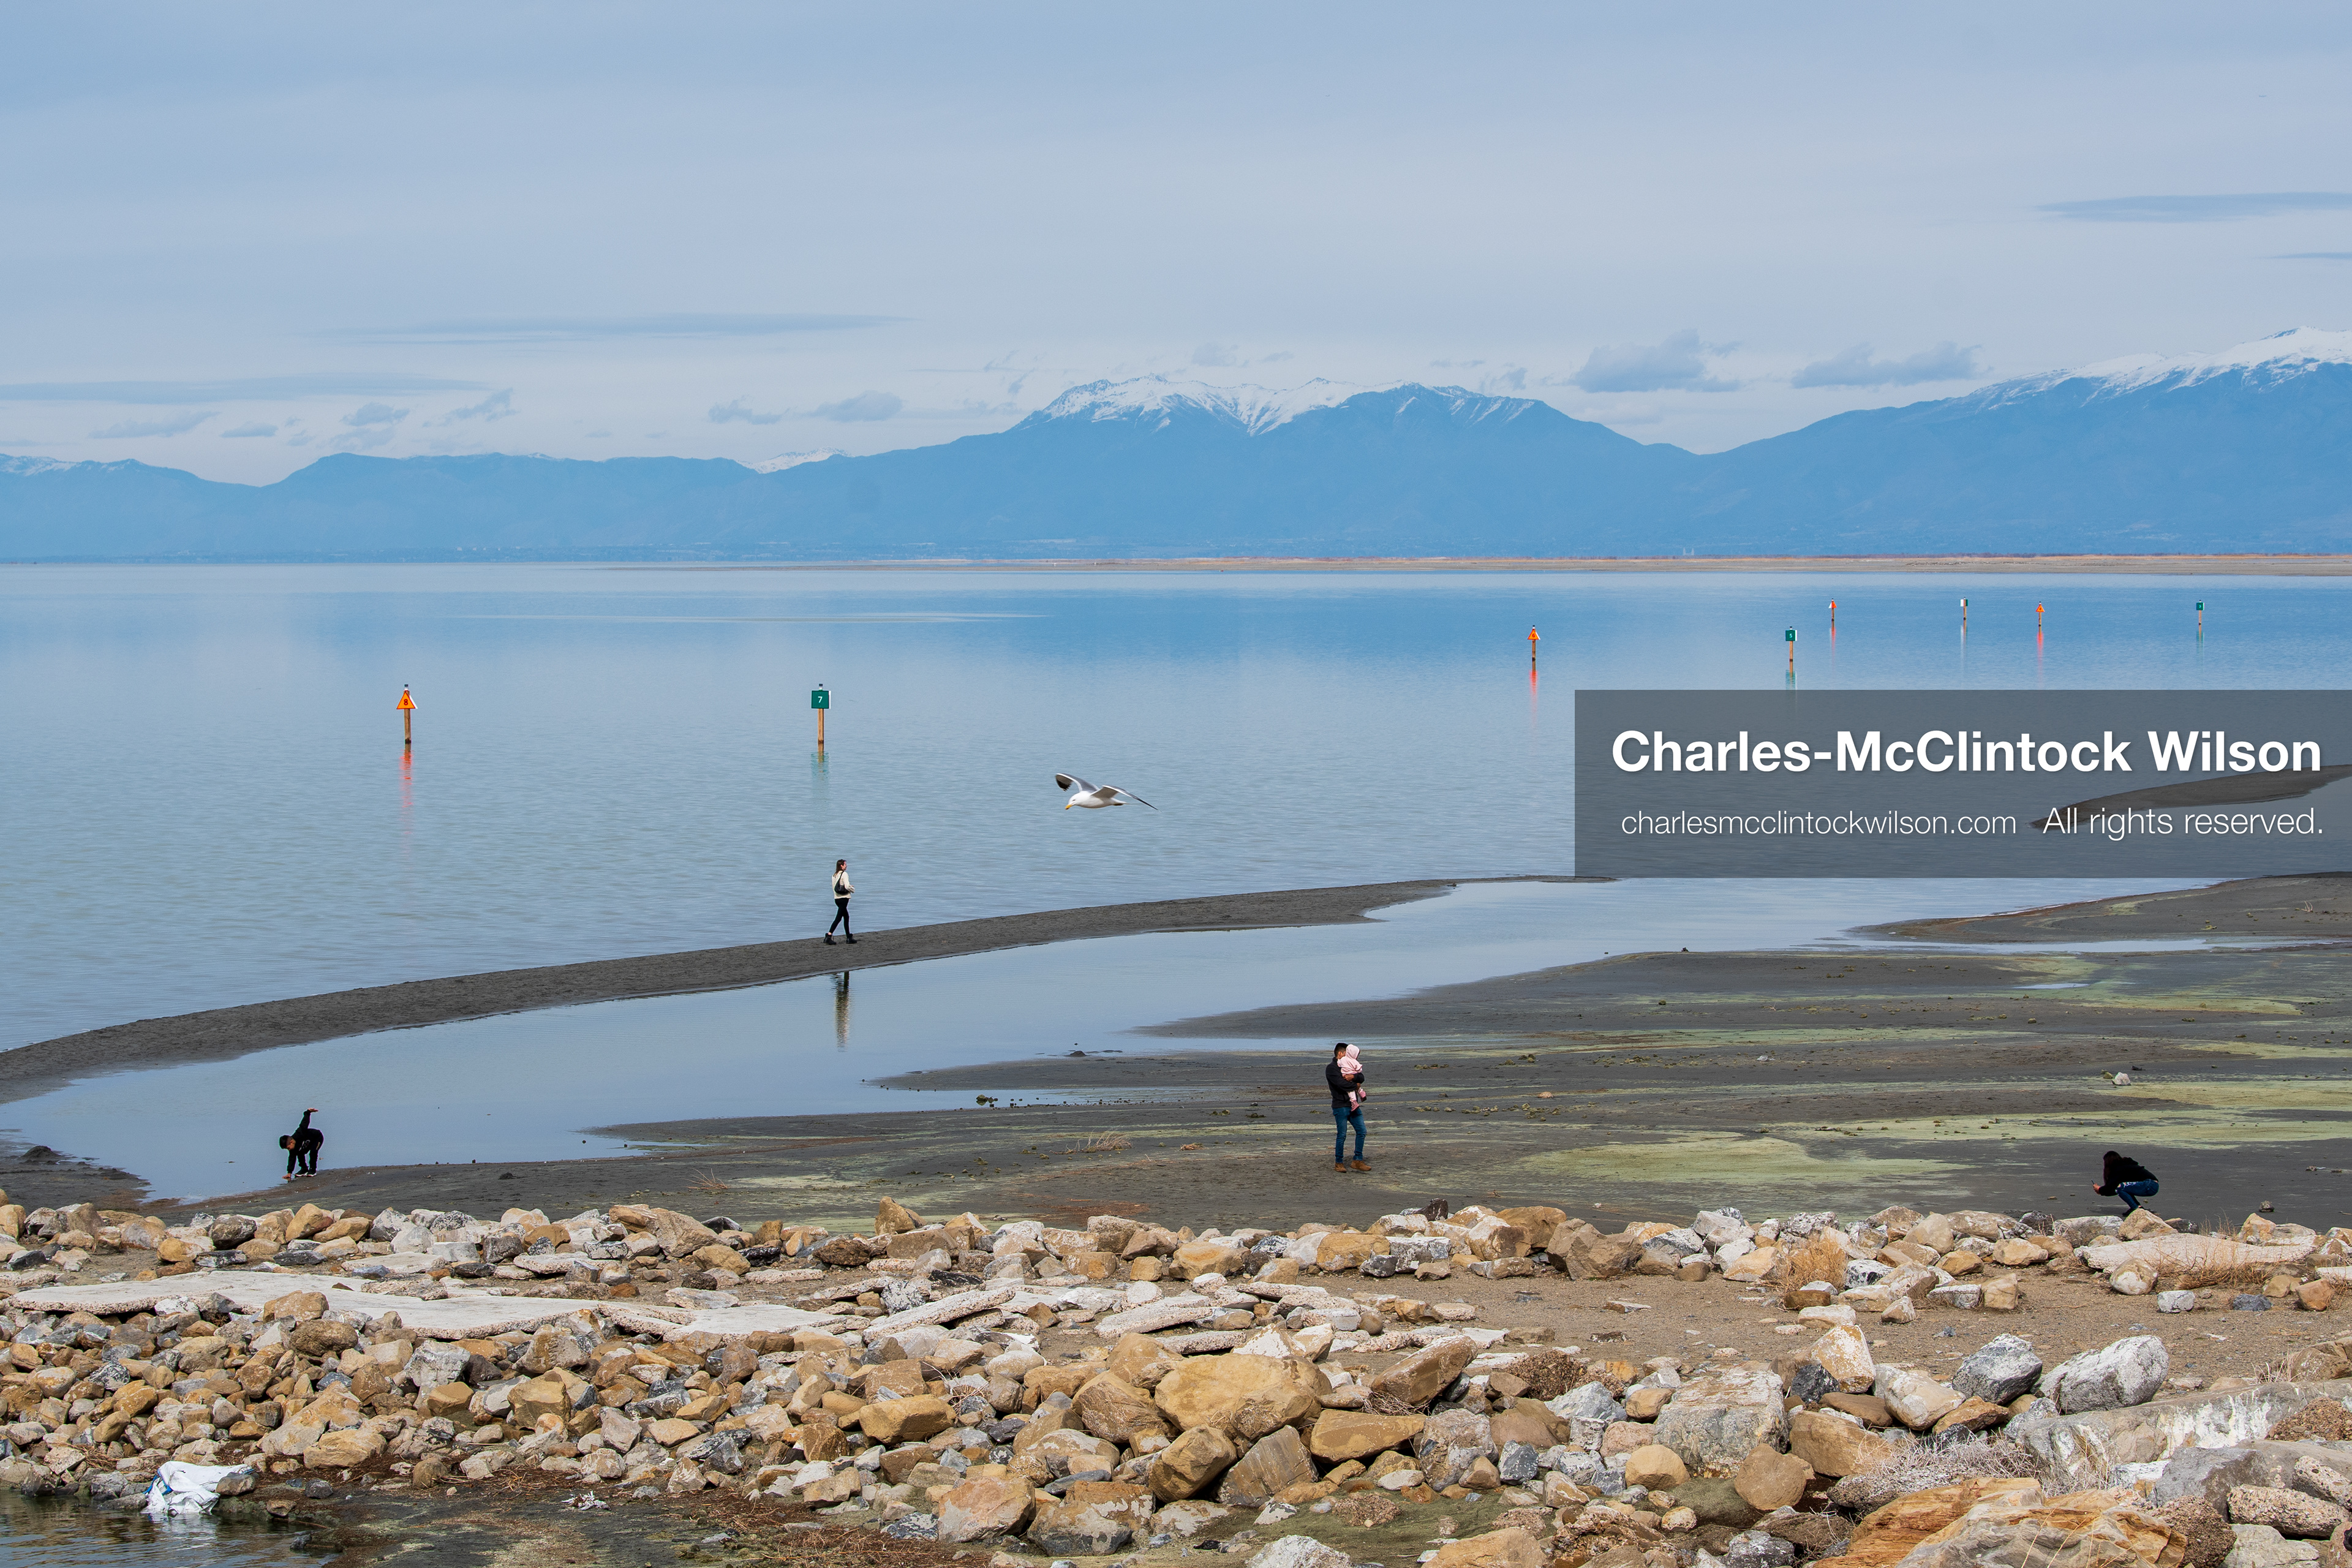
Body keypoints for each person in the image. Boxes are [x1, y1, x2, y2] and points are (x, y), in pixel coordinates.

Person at [1325, 1042, 1368, 1173]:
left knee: (1362, 1131)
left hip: (1353, 1106)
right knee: (1342, 1135)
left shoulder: (1350, 1063)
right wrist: (1355, 1086)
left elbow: (1362, 1077)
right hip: (1340, 1105)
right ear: (1340, 1054)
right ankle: (1339, 1163)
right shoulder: (1332, 1068)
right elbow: (1340, 1085)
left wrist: (1354, 1077)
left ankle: (1358, 1160)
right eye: (1346, 1053)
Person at [2094, 1149, 2158, 1214]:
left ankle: (2135, 1208)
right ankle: (2138, 1207)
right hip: (2152, 1185)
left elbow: (2112, 1186)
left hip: (2149, 1184)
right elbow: (2114, 1188)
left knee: (2121, 1187)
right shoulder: (2125, 1166)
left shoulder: (2119, 1169)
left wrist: (2100, 1190)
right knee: (2125, 1188)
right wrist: (2102, 1191)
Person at [281, 1109, 323, 1180]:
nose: (289, 1150)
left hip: (317, 1138)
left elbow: (304, 1123)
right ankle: (304, 1169)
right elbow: (292, 1159)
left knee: (313, 1152)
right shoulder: (293, 1148)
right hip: (307, 1144)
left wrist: (308, 1112)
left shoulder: (299, 1133)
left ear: (292, 1142)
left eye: (288, 1148)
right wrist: (289, 1173)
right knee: (299, 1153)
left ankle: (313, 1170)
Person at [826, 859, 856, 944]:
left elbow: (835, 887)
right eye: (845, 864)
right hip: (844, 898)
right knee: (838, 918)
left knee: (846, 917)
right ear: (841, 866)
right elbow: (846, 886)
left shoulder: (834, 875)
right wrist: (852, 890)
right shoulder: (844, 874)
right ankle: (829, 936)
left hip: (837, 899)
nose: (846, 866)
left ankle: (849, 937)